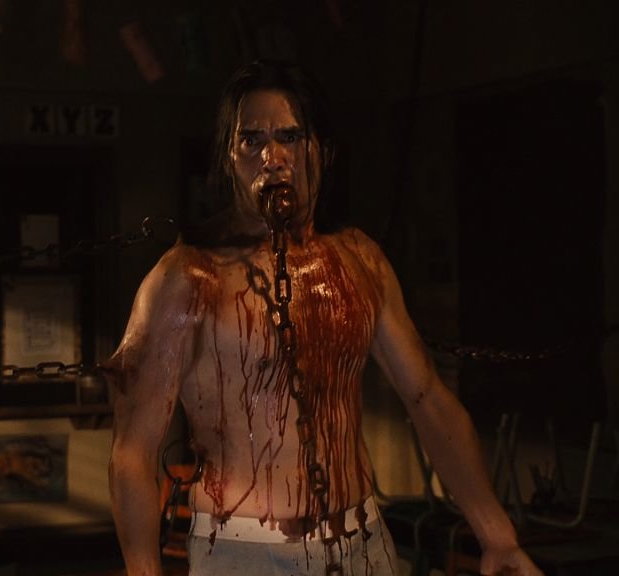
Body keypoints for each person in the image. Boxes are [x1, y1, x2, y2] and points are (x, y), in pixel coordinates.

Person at [104, 60, 542, 576]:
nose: (272, 158)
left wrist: (497, 537)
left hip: (363, 541)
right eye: (251, 140)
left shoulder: (360, 262)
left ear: (323, 151)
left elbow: (428, 399)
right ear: (228, 158)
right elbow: (133, 451)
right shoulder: (188, 278)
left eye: (289, 137)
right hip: (243, 551)